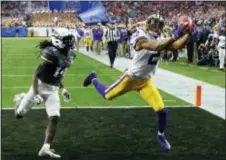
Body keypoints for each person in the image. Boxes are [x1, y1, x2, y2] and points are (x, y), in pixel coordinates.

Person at [83, 14, 192, 152]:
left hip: (146, 81)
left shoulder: (161, 37)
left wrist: (188, 33)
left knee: (162, 110)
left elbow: (175, 46)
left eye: (160, 25)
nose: (158, 27)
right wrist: (175, 35)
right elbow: (154, 46)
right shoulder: (139, 35)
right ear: (149, 24)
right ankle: (93, 78)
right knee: (107, 95)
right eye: (156, 24)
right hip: (130, 78)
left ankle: (161, 135)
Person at [14, 29, 76, 158]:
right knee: (19, 114)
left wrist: (62, 88)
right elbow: (36, 74)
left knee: (55, 117)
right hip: (40, 87)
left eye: (70, 39)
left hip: (53, 90)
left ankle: (45, 147)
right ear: (58, 41)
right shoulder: (51, 54)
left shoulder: (70, 54)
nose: (70, 42)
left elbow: (58, 74)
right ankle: (20, 100)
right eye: (67, 40)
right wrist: (36, 93)